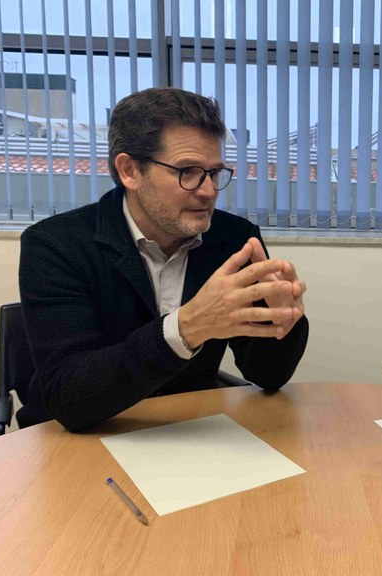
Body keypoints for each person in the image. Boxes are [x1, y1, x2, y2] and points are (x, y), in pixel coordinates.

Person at [18, 87, 309, 432]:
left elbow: (267, 375)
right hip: (81, 437)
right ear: (129, 171)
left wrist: (283, 324)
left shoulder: (234, 239)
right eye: (187, 171)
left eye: (214, 173)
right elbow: (69, 398)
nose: (208, 191)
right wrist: (186, 328)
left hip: (188, 431)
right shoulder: (56, 245)